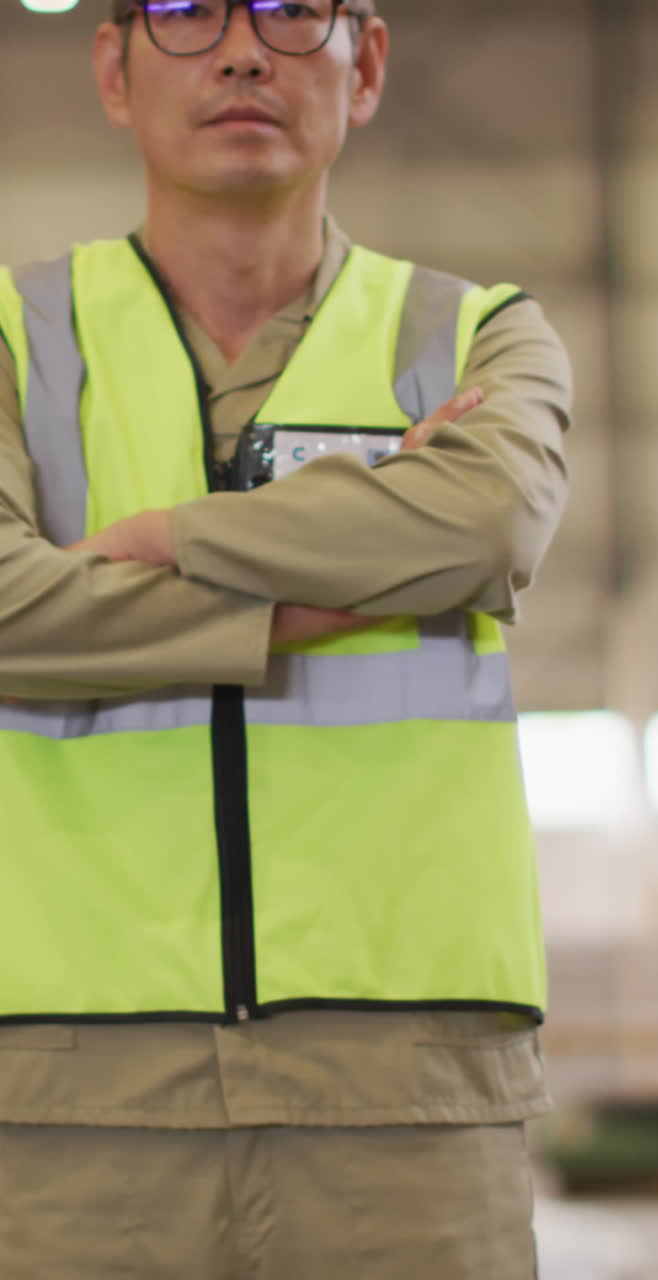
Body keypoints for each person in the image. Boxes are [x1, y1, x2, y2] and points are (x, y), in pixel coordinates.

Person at [0, 1, 572, 1276]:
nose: (245, 49)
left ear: (364, 62)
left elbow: (487, 525)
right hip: (64, 1079)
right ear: (113, 66)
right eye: (186, 11)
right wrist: (343, 580)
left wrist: (155, 536)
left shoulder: (475, 333)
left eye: (291, 11)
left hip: (412, 1077)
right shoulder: (14, 337)